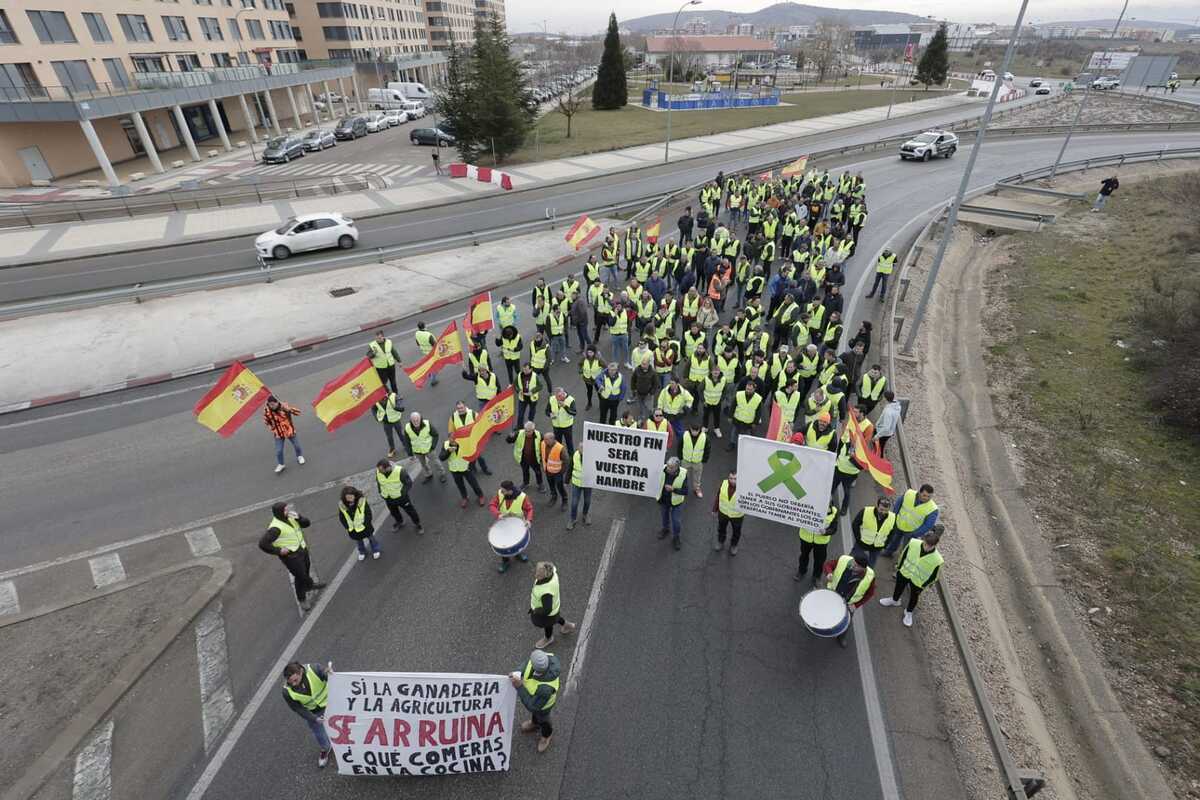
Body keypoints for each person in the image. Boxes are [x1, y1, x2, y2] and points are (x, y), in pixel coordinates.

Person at [258, 502, 325, 609]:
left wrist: (299, 518)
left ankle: (309, 585)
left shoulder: (292, 517)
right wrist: (279, 551)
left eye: (287, 509)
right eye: (285, 510)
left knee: (306, 570)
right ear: (279, 512)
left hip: (302, 549)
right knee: (300, 577)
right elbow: (262, 544)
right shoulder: (275, 528)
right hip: (291, 556)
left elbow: (307, 524)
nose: (287, 511)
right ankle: (302, 599)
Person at [880, 527, 944, 627]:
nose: (926, 547)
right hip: (904, 572)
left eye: (930, 546)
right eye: (925, 544)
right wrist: (899, 568)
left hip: (918, 581)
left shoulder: (938, 559)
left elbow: (934, 576)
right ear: (923, 540)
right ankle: (894, 600)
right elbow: (903, 555)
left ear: (935, 545)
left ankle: (908, 612)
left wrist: (924, 585)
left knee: (914, 597)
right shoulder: (913, 543)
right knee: (898, 587)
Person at [282, 661, 333, 768]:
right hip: (314, 712)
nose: (293, 684)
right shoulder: (287, 691)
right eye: (290, 682)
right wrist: (314, 719)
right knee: (319, 732)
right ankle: (326, 748)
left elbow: (330, 678)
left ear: (301, 671)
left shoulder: (315, 669)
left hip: (332, 702)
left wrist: (330, 674)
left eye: (295, 680)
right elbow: (298, 708)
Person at [821, 550, 875, 647]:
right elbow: (828, 564)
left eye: (856, 565)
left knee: (845, 622)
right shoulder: (844, 560)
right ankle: (820, 625)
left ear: (863, 568)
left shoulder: (870, 576)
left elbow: (870, 594)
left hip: (848, 604)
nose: (852, 565)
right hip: (832, 595)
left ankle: (841, 636)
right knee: (825, 612)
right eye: (853, 562)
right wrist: (829, 573)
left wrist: (855, 605)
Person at [510, 649, 560, 754]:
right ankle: (535, 723)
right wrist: (518, 672)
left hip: (543, 707)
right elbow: (527, 663)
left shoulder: (545, 689)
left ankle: (546, 735)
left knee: (543, 720)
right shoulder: (545, 658)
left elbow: (532, 706)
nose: (530, 662)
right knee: (536, 715)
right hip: (537, 701)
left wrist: (519, 687)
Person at [882, 483, 939, 558]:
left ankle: (901, 562)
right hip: (899, 523)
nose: (926, 498)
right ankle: (888, 552)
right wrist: (894, 517)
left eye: (929, 496)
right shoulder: (909, 493)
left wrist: (915, 533)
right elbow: (898, 504)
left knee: (906, 548)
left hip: (911, 531)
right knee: (894, 540)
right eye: (924, 495)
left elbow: (928, 525)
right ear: (919, 492)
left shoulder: (933, 509)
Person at [529, 561, 578, 648]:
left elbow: (547, 610)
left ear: (542, 576)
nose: (533, 571)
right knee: (555, 618)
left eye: (536, 572)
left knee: (548, 624)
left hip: (547, 613)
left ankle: (548, 638)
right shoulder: (552, 574)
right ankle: (567, 625)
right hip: (554, 609)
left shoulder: (545, 592)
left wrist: (536, 610)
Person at [489, 481, 533, 573]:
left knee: (516, 540)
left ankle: (518, 553)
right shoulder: (500, 494)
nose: (501, 491)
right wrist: (498, 514)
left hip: (518, 524)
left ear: (510, 491)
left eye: (503, 490)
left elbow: (529, 509)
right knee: (503, 542)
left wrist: (528, 520)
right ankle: (505, 561)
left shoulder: (522, 497)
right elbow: (492, 505)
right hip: (503, 522)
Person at [375, 458, 423, 533]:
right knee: (394, 512)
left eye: (381, 470)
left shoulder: (400, 471)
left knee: (410, 511)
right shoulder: (378, 472)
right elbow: (379, 483)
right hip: (388, 498)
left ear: (388, 468)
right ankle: (400, 522)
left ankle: (417, 524)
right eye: (379, 470)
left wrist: (402, 494)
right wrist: (381, 492)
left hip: (401, 498)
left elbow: (408, 483)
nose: (379, 472)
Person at [796, 504, 838, 586]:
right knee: (803, 556)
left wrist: (826, 532)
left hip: (821, 542)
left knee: (819, 560)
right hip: (806, 538)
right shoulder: (806, 505)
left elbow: (834, 528)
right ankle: (801, 571)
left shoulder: (834, 511)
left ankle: (816, 577)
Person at [337, 485, 380, 561]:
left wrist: (365, 524)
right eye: (348, 497)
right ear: (344, 497)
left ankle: (375, 550)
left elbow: (368, 514)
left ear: (355, 495)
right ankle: (362, 552)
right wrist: (347, 527)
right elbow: (342, 517)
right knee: (359, 542)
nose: (350, 499)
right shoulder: (342, 505)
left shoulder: (362, 502)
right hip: (353, 529)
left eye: (351, 497)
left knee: (371, 539)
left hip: (365, 527)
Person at [449, 400, 492, 476]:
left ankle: (485, 469)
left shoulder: (473, 414)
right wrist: (452, 442)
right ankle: (473, 469)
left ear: (465, 407)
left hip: (473, 441)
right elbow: (451, 432)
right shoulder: (452, 418)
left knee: (479, 456)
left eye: (461, 408)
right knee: (469, 458)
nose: (460, 410)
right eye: (458, 408)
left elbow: (480, 424)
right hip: (463, 443)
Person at [440, 438, 486, 508]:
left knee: (473, 483)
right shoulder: (445, 444)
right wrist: (448, 451)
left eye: (454, 439)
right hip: (454, 470)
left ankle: (480, 496)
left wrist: (470, 466)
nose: (453, 441)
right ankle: (464, 497)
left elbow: (472, 453)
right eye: (451, 439)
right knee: (460, 485)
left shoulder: (463, 443)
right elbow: (441, 457)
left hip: (466, 468)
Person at [264, 395, 305, 474]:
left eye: (273, 404)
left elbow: (298, 412)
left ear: (277, 402)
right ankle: (281, 464)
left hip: (289, 431)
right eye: (269, 404)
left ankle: (299, 456)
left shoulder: (284, 406)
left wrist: (289, 409)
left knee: (296, 445)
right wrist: (272, 428)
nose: (271, 406)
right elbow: (266, 421)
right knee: (279, 451)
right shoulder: (267, 410)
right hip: (278, 434)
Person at [852, 495, 895, 567]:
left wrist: (885, 544)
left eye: (886, 510)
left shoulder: (893, 518)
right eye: (881, 509)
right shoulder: (866, 511)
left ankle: (867, 576)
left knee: (871, 565)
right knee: (853, 561)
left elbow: (892, 533)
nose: (883, 512)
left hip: (877, 546)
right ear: (877, 506)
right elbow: (855, 524)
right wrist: (858, 539)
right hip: (862, 543)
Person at [403, 411, 446, 483]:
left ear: (420, 418)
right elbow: (407, 441)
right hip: (417, 451)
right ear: (411, 420)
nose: (416, 422)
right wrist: (410, 453)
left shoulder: (427, 424)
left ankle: (442, 474)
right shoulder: (407, 428)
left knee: (436, 462)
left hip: (429, 449)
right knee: (423, 464)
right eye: (414, 420)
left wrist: (432, 446)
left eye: (417, 420)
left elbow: (435, 435)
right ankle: (428, 474)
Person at [656, 457, 689, 551]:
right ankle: (665, 529)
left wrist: (673, 489)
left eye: (671, 467)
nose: (668, 468)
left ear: (676, 468)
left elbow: (685, 491)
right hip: (664, 499)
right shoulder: (662, 469)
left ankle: (676, 537)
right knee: (664, 517)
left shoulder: (683, 474)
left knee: (676, 521)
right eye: (668, 466)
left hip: (676, 502)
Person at [712, 472, 744, 555]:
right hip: (723, 513)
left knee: (736, 532)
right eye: (731, 478)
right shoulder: (724, 483)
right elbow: (718, 496)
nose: (733, 481)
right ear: (728, 478)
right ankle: (720, 541)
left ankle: (734, 545)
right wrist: (715, 509)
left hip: (737, 515)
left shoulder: (744, 487)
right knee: (721, 529)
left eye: (735, 479)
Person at [512, 421, 545, 494]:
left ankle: (540, 483)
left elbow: (544, 445)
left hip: (534, 458)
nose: (527, 433)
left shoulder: (539, 435)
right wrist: (510, 436)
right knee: (525, 471)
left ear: (533, 430)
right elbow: (509, 441)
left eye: (529, 431)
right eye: (526, 430)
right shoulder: (519, 433)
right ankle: (525, 483)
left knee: (538, 472)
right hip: (523, 457)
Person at [680, 421, 710, 498]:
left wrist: (704, 460)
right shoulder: (684, 435)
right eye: (693, 430)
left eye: (696, 431)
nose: (694, 432)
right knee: (682, 475)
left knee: (697, 477)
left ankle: (697, 489)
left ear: (699, 430)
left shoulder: (704, 437)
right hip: (685, 460)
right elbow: (679, 446)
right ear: (690, 429)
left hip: (698, 461)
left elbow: (707, 449)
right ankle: (682, 488)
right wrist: (680, 457)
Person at [372, 390, 405, 458]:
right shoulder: (375, 399)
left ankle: (405, 444)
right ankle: (392, 449)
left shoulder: (393, 396)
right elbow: (373, 409)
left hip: (395, 419)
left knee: (400, 433)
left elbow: (402, 408)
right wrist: (376, 417)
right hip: (386, 421)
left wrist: (396, 407)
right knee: (389, 437)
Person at [540, 430, 567, 510]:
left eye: (546, 440)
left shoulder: (560, 448)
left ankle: (564, 500)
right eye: (544, 439)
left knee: (560, 487)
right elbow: (542, 454)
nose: (544, 441)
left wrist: (561, 472)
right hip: (548, 471)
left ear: (552, 439)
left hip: (558, 472)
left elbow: (566, 462)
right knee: (551, 485)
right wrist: (543, 465)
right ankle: (554, 496)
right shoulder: (543, 444)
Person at [566, 447, 592, 530]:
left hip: (587, 483)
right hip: (576, 483)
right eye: (580, 448)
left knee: (587, 501)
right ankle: (573, 519)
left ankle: (585, 514)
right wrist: (566, 481)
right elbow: (570, 468)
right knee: (574, 503)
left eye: (583, 448)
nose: (582, 450)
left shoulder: (592, 455)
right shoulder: (575, 455)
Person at [547, 388, 577, 456]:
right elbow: (547, 411)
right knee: (557, 443)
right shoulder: (552, 399)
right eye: (557, 397)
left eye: (560, 397)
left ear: (564, 394)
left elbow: (574, 413)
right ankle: (559, 456)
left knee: (569, 443)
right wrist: (550, 414)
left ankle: (571, 459)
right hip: (556, 426)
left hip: (567, 426)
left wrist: (565, 406)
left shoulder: (570, 400)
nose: (558, 399)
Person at [630, 355, 658, 420]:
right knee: (640, 407)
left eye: (644, 364)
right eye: (642, 363)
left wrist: (651, 393)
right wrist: (633, 389)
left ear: (648, 364)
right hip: (639, 393)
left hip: (648, 395)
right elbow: (633, 379)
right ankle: (641, 418)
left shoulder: (653, 372)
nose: (643, 365)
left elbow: (656, 384)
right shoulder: (637, 370)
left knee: (649, 408)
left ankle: (651, 419)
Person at [514, 362, 542, 430]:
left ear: (531, 369)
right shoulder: (519, 375)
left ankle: (530, 425)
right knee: (520, 414)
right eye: (523, 369)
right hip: (522, 397)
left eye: (526, 370)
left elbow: (540, 386)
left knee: (531, 412)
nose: (524, 371)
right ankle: (519, 426)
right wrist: (518, 390)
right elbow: (515, 384)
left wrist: (532, 392)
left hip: (532, 398)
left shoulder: (535, 376)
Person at [874, 391, 901, 457]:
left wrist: (876, 436)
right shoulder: (897, 406)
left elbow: (886, 428)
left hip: (883, 432)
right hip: (890, 432)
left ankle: (879, 459)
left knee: (880, 447)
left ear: (886, 399)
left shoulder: (888, 412)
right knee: (882, 445)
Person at [414, 322, 439, 386]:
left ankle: (429, 375)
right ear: (425, 326)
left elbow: (418, 343)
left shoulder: (417, 333)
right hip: (431, 353)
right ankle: (433, 380)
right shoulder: (428, 335)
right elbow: (434, 345)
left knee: (428, 365)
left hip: (424, 352)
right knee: (434, 367)